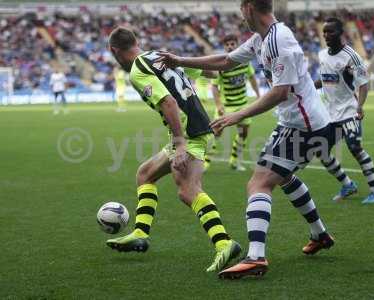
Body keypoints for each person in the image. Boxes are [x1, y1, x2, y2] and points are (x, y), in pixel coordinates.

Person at [157, 0, 335, 279]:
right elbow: (225, 62)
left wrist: (236, 115)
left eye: (241, 9)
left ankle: (256, 257)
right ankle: (319, 234)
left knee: (259, 182)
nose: (240, 15)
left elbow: (280, 92)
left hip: (305, 127)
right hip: (296, 123)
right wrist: (180, 60)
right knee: (283, 176)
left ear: (250, 7)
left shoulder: (279, 41)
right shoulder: (261, 39)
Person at [106, 26, 241, 273]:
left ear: (114, 51)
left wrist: (179, 143)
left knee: (188, 190)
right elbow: (209, 72)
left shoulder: (138, 70)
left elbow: (168, 102)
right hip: (194, 126)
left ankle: (225, 243)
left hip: (190, 132)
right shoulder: (159, 56)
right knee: (145, 174)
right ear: (136, 41)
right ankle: (140, 233)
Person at [315, 18, 374, 204]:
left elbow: (363, 84)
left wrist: (360, 106)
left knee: (355, 148)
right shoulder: (322, 55)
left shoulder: (351, 56)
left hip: (348, 112)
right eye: (324, 32)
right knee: (320, 150)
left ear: (340, 33)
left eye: (330, 32)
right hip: (329, 115)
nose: (326, 35)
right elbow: (325, 80)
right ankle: (348, 184)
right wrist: (307, 87)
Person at [204, 34, 260, 171]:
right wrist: (218, 105)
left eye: (232, 44)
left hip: (242, 104)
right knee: (216, 132)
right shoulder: (221, 64)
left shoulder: (245, 61)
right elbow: (214, 86)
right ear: (224, 47)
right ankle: (204, 163)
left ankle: (234, 161)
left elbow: (252, 77)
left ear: (237, 45)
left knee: (243, 133)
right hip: (226, 105)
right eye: (227, 44)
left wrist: (258, 95)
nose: (230, 46)